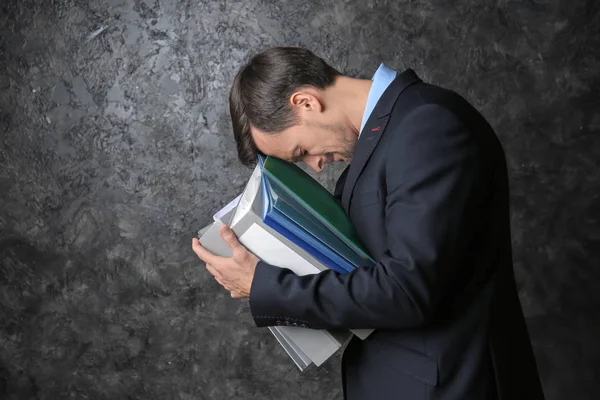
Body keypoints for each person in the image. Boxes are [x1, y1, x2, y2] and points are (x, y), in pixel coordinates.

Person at [192, 47, 545, 400]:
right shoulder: (384, 138)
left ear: (305, 102)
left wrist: (264, 286)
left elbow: (407, 291)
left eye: (301, 151)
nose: (315, 165)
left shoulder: (428, 124)